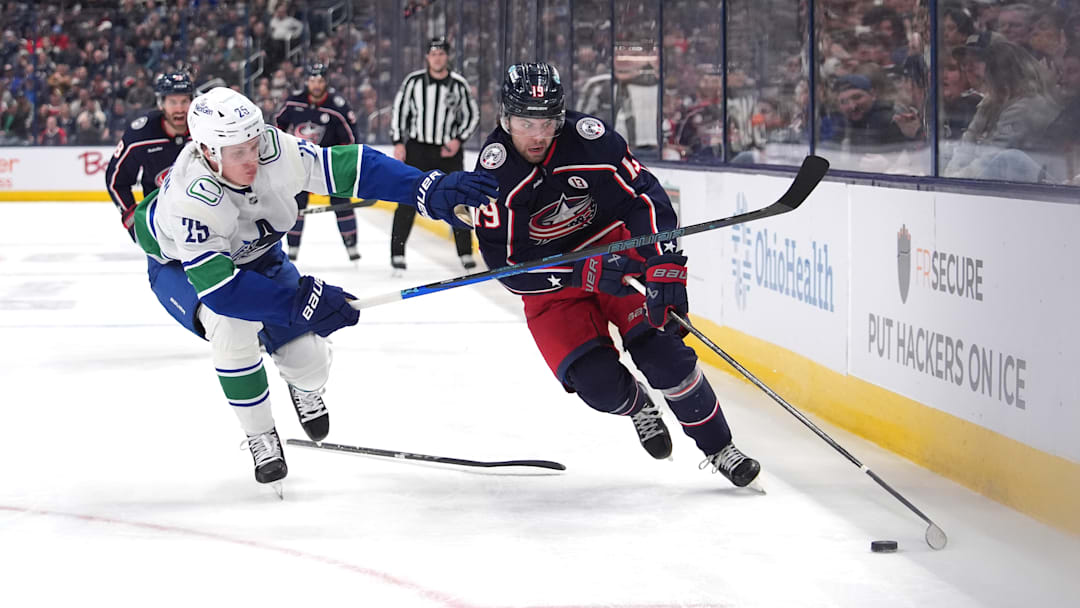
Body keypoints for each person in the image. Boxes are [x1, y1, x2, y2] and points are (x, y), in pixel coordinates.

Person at [128, 87, 497, 490]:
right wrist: (303, 301)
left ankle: (302, 385)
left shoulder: (271, 146)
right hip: (183, 269)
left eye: (253, 144)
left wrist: (424, 189)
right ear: (207, 151)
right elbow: (222, 290)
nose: (252, 158)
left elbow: (348, 167)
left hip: (258, 255)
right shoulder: (191, 197)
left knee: (310, 365)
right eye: (238, 153)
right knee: (232, 328)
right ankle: (260, 434)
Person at [472, 63, 760, 488]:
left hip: (619, 257)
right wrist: (579, 272)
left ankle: (719, 448)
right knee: (599, 386)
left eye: (547, 121)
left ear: (561, 117)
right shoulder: (495, 176)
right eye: (524, 122)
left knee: (665, 358)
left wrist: (661, 263)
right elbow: (510, 271)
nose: (536, 134)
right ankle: (638, 406)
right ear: (505, 119)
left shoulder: (593, 142)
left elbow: (644, 198)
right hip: (557, 285)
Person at [389, 36, 480, 273]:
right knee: (408, 198)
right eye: (433, 54)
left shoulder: (458, 84)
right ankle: (397, 254)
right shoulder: (413, 82)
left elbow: (473, 115)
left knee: (459, 198)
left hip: (448, 151)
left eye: (441, 54)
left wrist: (458, 139)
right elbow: (400, 111)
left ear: (447, 57)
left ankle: (465, 253)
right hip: (418, 148)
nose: (437, 58)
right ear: (427, 57)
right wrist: (399, 142)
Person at [274, 62, 362, 262]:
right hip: (299, 162)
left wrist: (346, 163)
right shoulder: (294, 103)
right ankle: (293, 247)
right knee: (296, 204)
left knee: (341, 200)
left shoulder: (337, 105)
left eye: (320, 80)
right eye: (312, 80)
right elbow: (277, 126)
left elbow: (350, 137)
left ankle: (351, 244)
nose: (316, 84)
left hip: (328, 163)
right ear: (307, 81)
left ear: (326, 82)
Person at [105, 70, 193, 241]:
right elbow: (115, 180)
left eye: (184, 101)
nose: (180, 109)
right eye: (173, 102)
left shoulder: (206, 129)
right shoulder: (141, 135)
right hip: (161, 225)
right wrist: (131, 218)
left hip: (206, 218)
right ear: (161, 104)